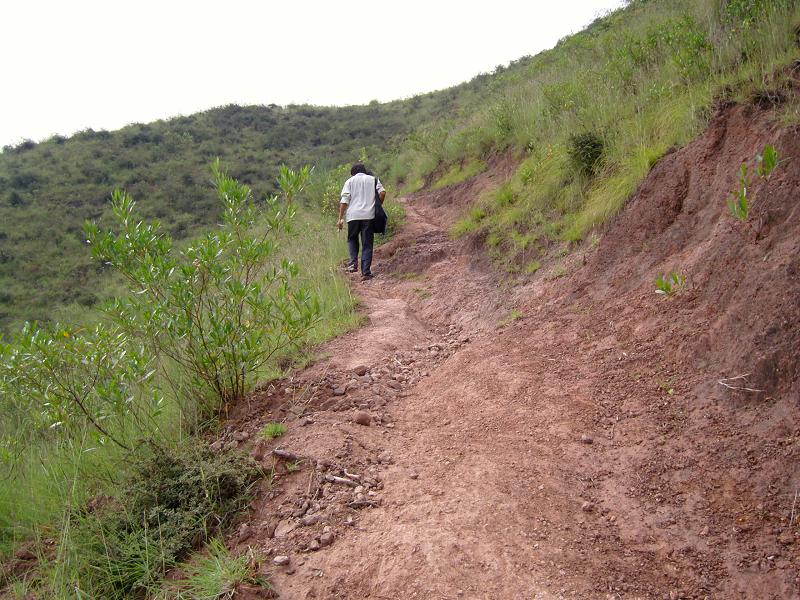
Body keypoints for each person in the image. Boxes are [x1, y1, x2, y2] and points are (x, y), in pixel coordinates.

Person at [337, 163, 386, 280]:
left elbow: (344, 200)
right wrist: (378, 205)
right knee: (367, 244)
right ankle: (366, 272)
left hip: (353, 216)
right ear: (365, 171)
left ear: (353, 173)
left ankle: (353, 263)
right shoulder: (373, 179)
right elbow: (383, 192)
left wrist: (340, 218)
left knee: (352, 239)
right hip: (368, 216)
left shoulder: (349, 181)